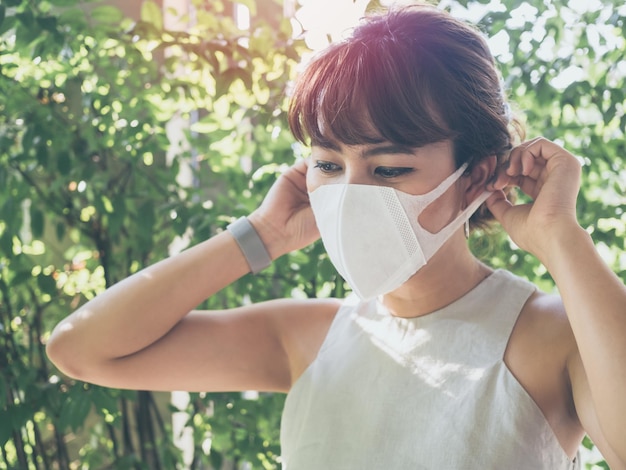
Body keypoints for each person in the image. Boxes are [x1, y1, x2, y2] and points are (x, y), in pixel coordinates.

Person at [46, 4, 626, 469]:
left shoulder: (553, 334)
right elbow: (80, 348)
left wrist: (559, 237)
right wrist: (263, 235)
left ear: (475, 174)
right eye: (327, 164)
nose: (352, 193)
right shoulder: (308, 337)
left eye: (389, 169)